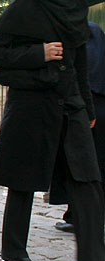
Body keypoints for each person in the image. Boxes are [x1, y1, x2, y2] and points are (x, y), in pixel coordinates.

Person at [0, 0, 105, 261]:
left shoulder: (75, 12)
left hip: (70, 102)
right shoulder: (25, 7)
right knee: (22, 178)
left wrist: (86, 107)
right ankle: (14, 251)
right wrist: (40, 53)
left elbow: (80, 66)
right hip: (31, 102)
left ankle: (95, 258)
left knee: (86, 175)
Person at [54, 21, 105, 233]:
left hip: (86, 103)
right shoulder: (96, 32)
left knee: (81, 163)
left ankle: (79, 216)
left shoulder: (83, 30)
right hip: (97, 100)